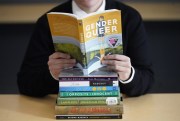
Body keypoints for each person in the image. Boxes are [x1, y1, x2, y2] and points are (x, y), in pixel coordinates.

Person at [17, 0, 154, 97]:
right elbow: (25, 82)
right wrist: (52, 75)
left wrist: (128, 75)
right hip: (66, 107)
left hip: (113, 104)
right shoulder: (47, 22)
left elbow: (147, 79)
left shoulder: (129, 18)